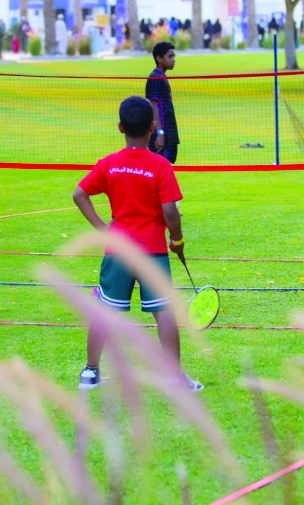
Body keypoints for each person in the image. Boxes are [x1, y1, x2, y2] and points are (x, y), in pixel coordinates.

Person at [71, 96, 201, 392]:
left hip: (118, 250)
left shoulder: (109, 164)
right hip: (152, 250)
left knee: (104, 310)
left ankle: (90, 373)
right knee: (163, 313)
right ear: (153, 128)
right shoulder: (160, 165)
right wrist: (177, 240)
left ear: (120, 127)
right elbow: (170, 211)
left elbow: (79, 194)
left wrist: (103, 229)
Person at [146, 41, 179, 164]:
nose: (174, 60)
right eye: (170, 56)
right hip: (162, 133)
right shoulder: (155, 77)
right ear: (159, 58)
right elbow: (153, 105)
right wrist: (160, 133)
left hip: (168, 131)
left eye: (174, 56)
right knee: (160, 168)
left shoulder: (161, 77)